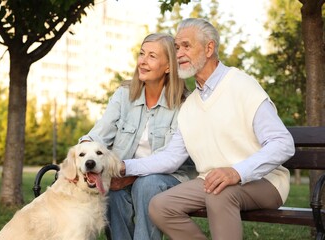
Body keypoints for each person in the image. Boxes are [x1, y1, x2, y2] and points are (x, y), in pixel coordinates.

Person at [120, 18, 295, 240]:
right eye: (175, 47)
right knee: (160, 206)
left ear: (209, 48)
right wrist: (125, 166)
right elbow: (171, 157)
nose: (179, 53)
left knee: (219, 194)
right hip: (210, 182)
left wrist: (236, 172)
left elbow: (283, 143)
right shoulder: (190, 104)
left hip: (264, 182)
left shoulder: (242, 85)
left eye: (186, 45)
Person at [78, 33, 193, 240]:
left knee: (146, 185)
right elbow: (98, 134)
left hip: (167, 178)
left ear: (168, 66)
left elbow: (169, 160)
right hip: (123, 175)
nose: (142, 61)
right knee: (112, 192)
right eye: (141, 54)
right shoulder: (124, 94)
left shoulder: (184, 103)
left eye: (152, 56)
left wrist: (128, 175)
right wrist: (82, 153)